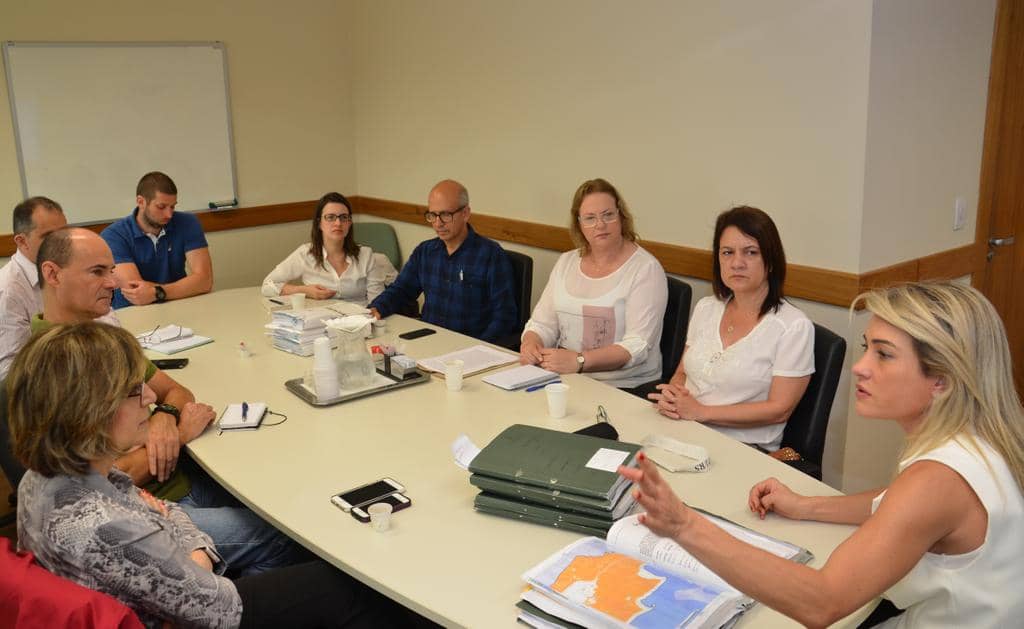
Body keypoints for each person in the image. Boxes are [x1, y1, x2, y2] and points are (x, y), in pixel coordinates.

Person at [621, 281, 1024, 628]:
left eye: (883, 354)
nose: (860, 368)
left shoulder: (937, 481)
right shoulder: (978, 439)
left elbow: (821, 603)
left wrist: (684, 526)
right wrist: (805, 505)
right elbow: (895, 501)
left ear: (941, 381)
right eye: (867, 349)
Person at [10, 322, 403, 628]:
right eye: (134, 391)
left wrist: (191, 551)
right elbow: (217, 607)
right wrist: (197, 558)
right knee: (344, 587)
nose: (149, 397)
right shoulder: (104, 527)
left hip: (168, 594)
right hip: (200, 613)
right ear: (89, 410)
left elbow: (161, 509)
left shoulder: (49, 474)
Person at [23, 226, 303, 575]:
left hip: (175, 479)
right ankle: (234, 599)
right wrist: (180, 434)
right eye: (98, 272)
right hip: (144, 508)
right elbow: (95, 484)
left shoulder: (100, 339)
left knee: (280, 498)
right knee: (286, 535)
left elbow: (174, 391)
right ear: (52, 274)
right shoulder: (52, 365)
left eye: (111, 270)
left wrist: (164, 417)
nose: (113, 283)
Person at [649, 206, 813, 451]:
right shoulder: (707, 308)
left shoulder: (794, 327)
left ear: (770, 261)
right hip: (685, 431)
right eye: (727, 252)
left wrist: (702, 412)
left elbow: (779, 410)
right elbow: (683, 372)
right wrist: (673, 398)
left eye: (750, 252)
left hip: (743, 448)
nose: (737, 263)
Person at [519, 178, 667, 389]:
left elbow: (637, 347)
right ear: (579, 224)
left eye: (608, 215)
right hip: (565, 378)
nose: (600, 225)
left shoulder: (645, 269)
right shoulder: (566, 262)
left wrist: (579, 361)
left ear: (621, 217)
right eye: (590, 218)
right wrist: (531, 343)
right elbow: (542, 324)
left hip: (623, 387)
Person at [368, 179, 517, 343]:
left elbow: (505, 316)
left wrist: (480, 347)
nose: (438, 223)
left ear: (465, 213)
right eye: (432, 215)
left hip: (469, 346)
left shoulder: (491, 255)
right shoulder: (425, 251)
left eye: (446, 215)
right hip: (428, 341)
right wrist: (376, 309)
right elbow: (401, 290)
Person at [101, 171, 213, 309]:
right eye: (161, 207)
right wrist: (185, 287)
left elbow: (204, 281)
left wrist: (158, 292)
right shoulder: (114, 235)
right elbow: (137, 292)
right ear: (141, 202)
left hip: (177, 305)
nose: (169, 214)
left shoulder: (188, 223)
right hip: (133, 312)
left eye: (173, 206)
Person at [261, 192, 393, 305]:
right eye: (330, 217)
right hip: (320, 326)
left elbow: (377, 304)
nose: (338, 223)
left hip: (361, 323)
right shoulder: (305, 254)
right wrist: (304, 290)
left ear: (349, 222)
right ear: (319, 223)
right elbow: (267, 286)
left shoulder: (366, 255)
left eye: (343, 217)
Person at [0, 197, 69, 379]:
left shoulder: (65, 266)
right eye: (48, 236)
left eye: (64, 233)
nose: (61, 242)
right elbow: (10, 372)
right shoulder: (8, 290)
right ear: (22, 242)